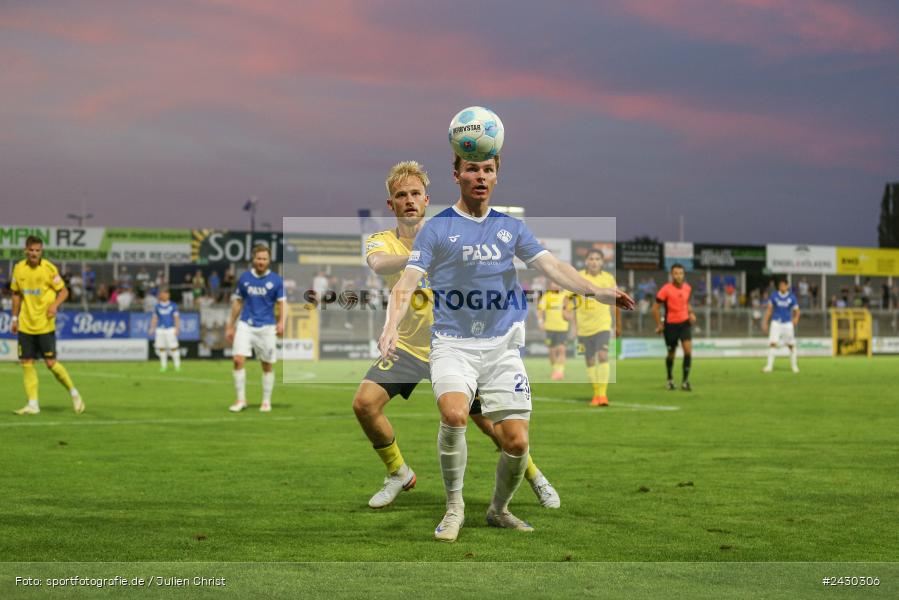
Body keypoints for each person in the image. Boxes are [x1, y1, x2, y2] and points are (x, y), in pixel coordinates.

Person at [379, 154, 633, 542]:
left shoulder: (511, 228)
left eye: (487, 170)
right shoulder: (437, 229)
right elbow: (406, 281)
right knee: (454, 413)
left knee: (516, 441)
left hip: (501, 346)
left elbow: (552, 267)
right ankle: (454, 508)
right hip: (453, 343)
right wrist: (389, 327)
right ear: (457, 175)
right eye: (472, 170)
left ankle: (498, 510)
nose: (480, 177)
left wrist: (596, 290)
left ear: (496, 176)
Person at [355, 160, 560, 511]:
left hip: (455, 346)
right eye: (400, 195)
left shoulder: (452, 232)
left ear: (426, 198)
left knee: (493, 428)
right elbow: (379, 264)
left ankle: (535, 476)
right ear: (391, 204)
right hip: (407, 347)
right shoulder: (382, 241)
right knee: (364, 404)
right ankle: (397, 472)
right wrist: (419, 255)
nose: (409, 200)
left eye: (415, 194)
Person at [10, 236, 85, 415]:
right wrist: (14, 318)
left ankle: (74, 393)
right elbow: (15, 294)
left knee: (50, 363)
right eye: (32, 250)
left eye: (38, 250)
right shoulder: (18, 268)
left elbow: (64, 291)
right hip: (26, 324)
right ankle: (33, 404)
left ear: (41, 251)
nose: (35, 253)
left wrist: (54, 305)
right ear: (26, 250)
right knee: (26, 362)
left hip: (45, 324)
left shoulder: (49, 268)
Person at [226, 244, 286, 412]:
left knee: (266, 365)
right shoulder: (244, 278)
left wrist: (281, 322)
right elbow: (237, 302)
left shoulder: (276, 280)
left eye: (264, 259)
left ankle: (266, 401)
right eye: (258, 258)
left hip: (267, 327)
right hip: (245, 325)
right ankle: (240, 400)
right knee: (238, 360)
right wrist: (230, 325)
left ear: (269, 260)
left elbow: (282, 304)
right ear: (253, 259)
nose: (261, 261)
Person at [568, 248, 620, 406]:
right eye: (591, 258)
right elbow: (570, 302)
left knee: (603, 356)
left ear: (602, 262)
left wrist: (617, 324)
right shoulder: (579, 278)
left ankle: (602, 395)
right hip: (584, 328)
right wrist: (573, 326)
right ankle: (596, 394)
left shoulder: (609, 278)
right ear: (586, 261)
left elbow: (616, 302)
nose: (594, 261)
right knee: (590, 360)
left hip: (603, 325)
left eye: (598, 259)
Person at [653, 263, 696, 391]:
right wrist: (660, 325)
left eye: (681, 273)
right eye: (676, 273)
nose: (678, 276)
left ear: (684, 275)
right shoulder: (665, 289)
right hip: (670, 325)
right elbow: (655, 308)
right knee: (671, 354)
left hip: (684, 323)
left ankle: (685, 381)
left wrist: (691, 313)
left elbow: (686, 303)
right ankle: (670, 379)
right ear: (671, 274)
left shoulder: (687, 288)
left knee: (688, 351)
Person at [761, 277, 800, 373]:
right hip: (776, 323)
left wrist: (795, 319)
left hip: (787, 323)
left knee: (791, 345)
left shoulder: (792, 297)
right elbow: (769, 310)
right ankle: (769, 367)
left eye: (784, 285)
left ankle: (794, 367)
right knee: (772, 344)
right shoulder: (774, 296)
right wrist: (765, 322)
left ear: (787, 286)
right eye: (780, 285)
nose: (782, 287)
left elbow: (797, 311)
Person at [536, 281, 570, 381]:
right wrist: (540, 322)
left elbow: (569, 312)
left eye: (557, 283)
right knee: (552, 352)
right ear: (550, 285)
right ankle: (556, 370)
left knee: (561, 349)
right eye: (553, 283)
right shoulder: (546, 296)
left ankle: (559, 371)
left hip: (562, 327)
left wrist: (567, 314)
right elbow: (540, 311)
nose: (555, 285)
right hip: (550, 328)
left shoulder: (565, 296)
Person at [149, 288, 181, 373]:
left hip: (170, 329)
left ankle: (177, 366)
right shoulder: (157, 307)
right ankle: (163, 366)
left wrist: (177, 328)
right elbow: (154, 318)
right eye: (163, 293)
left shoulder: (173, 305)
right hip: (160, 329)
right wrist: (152, 328)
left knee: (173, 347)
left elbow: (176, 318)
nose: (165, 295)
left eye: (167, 293)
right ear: (160, 295)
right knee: (161, 348)